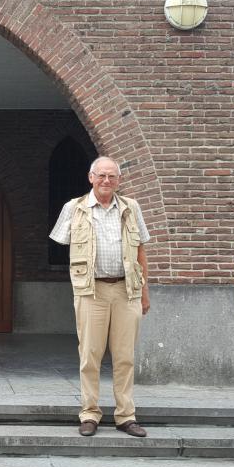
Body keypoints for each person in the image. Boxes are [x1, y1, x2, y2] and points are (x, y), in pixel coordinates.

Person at [49, 156, 151, 438]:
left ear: (119, 180)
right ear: (90, 177)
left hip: (126, 290)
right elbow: (62, 244)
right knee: (89, 355)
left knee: (125, 356)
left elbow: (141, 251)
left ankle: (125, 415)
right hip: (91, 291)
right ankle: (90, 413)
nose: (107, 181)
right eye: (101, 176)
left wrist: (144, 293)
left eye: (112, 177)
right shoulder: (74, 208)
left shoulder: (132, 208)